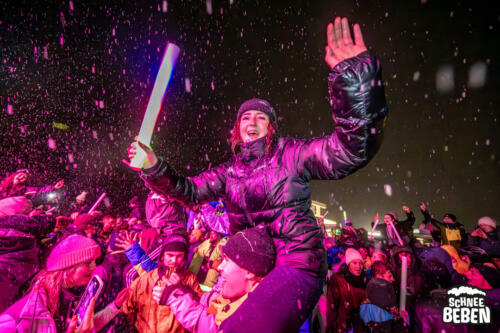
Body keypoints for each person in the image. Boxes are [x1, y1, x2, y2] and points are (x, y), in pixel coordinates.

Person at [127, 16, 388, 332]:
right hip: (250, 265)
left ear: (271, 128)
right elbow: (188, 191)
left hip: (295, 263)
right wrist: (154, 165)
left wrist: (353, 79)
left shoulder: (291, 155)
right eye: (245, 117)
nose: (252, 122)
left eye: (261, 118)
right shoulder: (230, 171)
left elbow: (351, 149)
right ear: (236, 129)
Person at [151, 226, 276, 333]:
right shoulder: (240, 296)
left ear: (249, 271)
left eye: (226, 260)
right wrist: (205, 297)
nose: (219, 266)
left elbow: (213, 328)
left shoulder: (254, 315)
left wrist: (176, 297)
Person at [0, 234, 116, 332]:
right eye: (88, 263)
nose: (95, 267)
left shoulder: (70, 298)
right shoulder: (19, 318)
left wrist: (115, 307)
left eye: (95, 262)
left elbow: (83, 326)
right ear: (68, 267)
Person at [119, 232, 202, 333]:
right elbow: (126, 307)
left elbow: (199, 309)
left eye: (179, 256)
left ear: (184, 259)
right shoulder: (146, 279)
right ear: (162, 256)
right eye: (170, 255)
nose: (174, 260)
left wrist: (182, 288)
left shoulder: (190, 279)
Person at [327, 248, 368, 333]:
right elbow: (331, 306)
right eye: (354, 263)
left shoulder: (364, 280)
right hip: (341, 325)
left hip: (358, 325)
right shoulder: (338, 280)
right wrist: (332, 326)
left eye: (360, 263)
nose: (358, 266)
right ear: (348, 264)